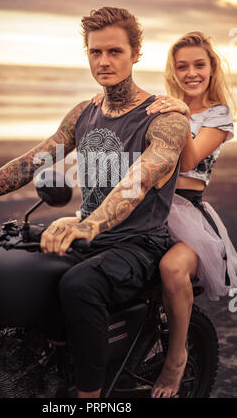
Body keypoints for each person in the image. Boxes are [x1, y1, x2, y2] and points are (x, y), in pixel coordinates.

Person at [0, 7, 189, 398]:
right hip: (89, 236)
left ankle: (88, 396)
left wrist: (87, 224)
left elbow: (139, 180)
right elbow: (32, 160)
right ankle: (42, 358)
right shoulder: (84, 113)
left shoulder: (165, 117)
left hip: (138, 242)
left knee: (80, 283)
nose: (103, 61)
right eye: (95, 52)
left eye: (115, 52)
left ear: (136, 53)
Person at [92, 30, 237, 398]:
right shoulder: (161, 103)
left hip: (188, 215)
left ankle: (176, 359)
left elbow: (187, 159)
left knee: (172, 269)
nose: (191, 72)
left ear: (211, 68)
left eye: (199, 65)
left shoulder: (218, 115)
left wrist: (180, 111)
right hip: (148, 205)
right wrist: (106, 107)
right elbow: (126, 125)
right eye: (182, 65)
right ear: (173, 70)